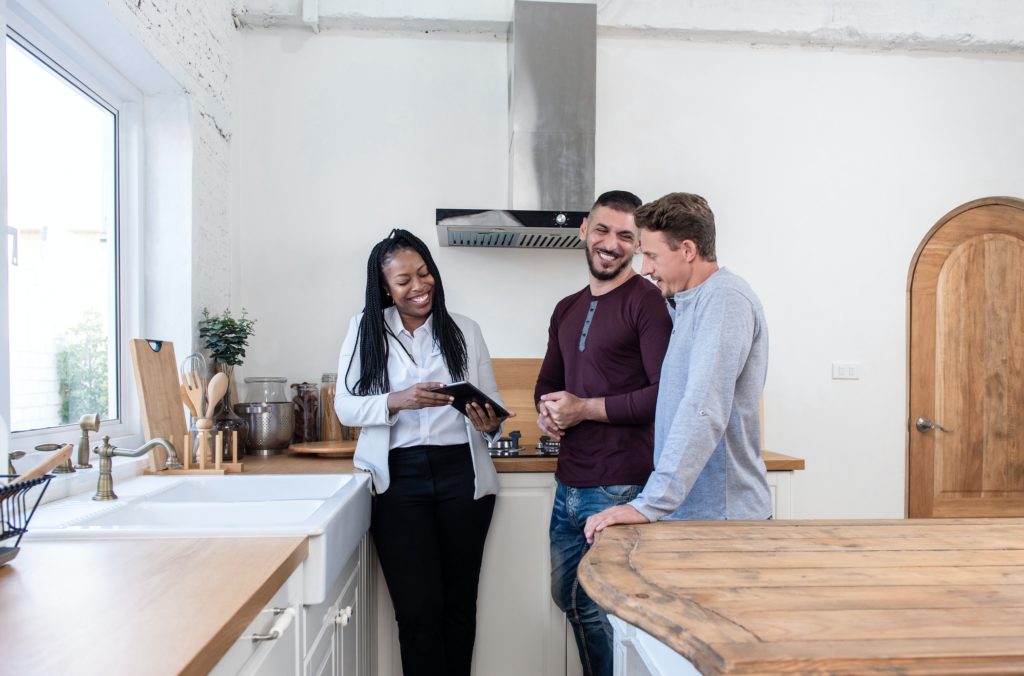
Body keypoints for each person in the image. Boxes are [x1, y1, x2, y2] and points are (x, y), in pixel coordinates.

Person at [335, 229, 515, 676]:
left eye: (425, 273)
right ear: (384, 288)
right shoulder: (365, 330)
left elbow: (490, 406)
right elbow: (345, 405)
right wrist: (398, 400)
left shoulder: (465, 330)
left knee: (459, 609)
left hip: (462, 477)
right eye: (404, 280)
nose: (419, 286)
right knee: (417, 613)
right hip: (399, 481)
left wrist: (489, 423)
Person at [535, 190, 673, 676]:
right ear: (584, 231)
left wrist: (584, 409)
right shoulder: (566, 307)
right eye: (602, 230)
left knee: (608, 610)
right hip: (569, 483)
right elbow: (548, 383)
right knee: (567, 596)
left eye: (625, 236)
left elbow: (663, 395)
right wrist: (547, 412)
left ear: (637, 245)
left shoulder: (649, 303)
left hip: (622, 485)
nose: (610, 243)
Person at [584, 192, 772, 545]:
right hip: (693, 514)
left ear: (687, 250)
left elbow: (705, 407)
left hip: (723, 520)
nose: (645, 269)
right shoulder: (686, 303)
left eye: (652, 256)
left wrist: (652, 502)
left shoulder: (725, 299)